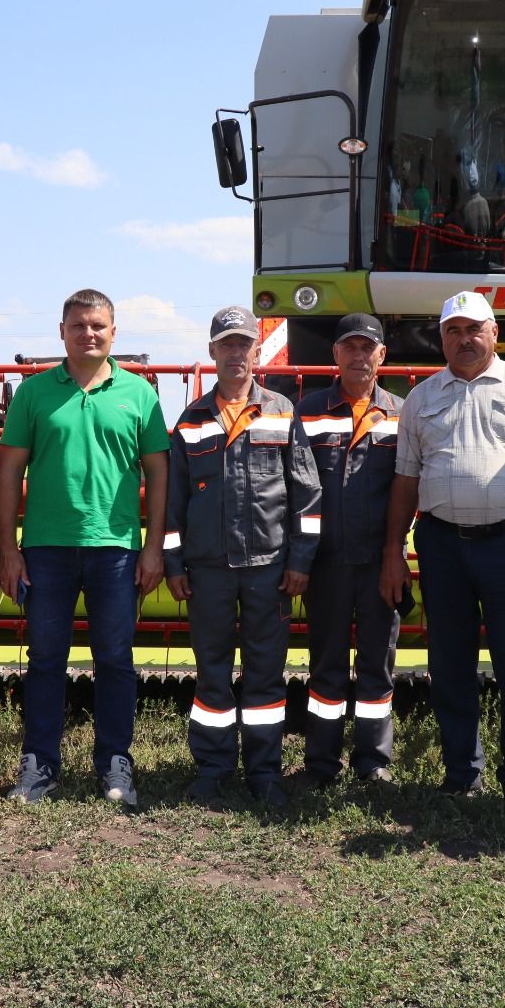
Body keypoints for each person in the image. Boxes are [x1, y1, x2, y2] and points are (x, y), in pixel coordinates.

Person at [379, 290, 505, 815]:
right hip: (442, 547)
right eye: (453, 332)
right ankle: (461, 772)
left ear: (494, 332)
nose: (464, 340)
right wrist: (393, 552)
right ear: (441, 338)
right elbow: (405, 478)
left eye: (474, 330)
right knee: (450, 665)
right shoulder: (421, 398)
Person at [0, 290, 169, 807]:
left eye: (98, 326)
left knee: (115, 660)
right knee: (46, 659)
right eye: (79, 325)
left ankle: (116, 763)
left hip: (116, 548)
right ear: (62, 331)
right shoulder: (34, 394)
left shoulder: (138, 394)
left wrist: (153, 545)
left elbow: (158, 474)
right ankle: (39, 764)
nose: (88, 334)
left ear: (114, 333)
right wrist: (9, 548)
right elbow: (9, 474)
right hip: (46, 548)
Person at [165, 307, 321, 806]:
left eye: (244, 344)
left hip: (269, 569)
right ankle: (212, 770)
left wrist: (300, 561)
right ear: (212, 352)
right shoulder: (189, 421)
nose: (236, 353)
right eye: (227, 344)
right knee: (211, 670)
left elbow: (307, 495)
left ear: (258, 351)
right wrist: (173, 565)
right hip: (208, 570)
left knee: (265, 675)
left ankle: (264, 772)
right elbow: (174, 504)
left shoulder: (281, 410)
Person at [293, 313, 406, 787]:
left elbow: (409, 486)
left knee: (378, 666)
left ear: (382, 355)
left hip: (381, 562)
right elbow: (297, 489)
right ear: (335, 354)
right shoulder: (307, 411)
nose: (359, 356)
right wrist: (301, 558)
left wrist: (393, 555)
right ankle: (321, 764)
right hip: (326, 562)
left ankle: (373, 764)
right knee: (327, 666)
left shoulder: (404, 413)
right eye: (349, 347)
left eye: (368, 348)